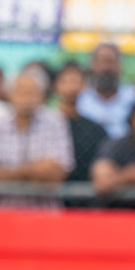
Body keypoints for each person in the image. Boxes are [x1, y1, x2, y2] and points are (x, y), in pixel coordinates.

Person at [0, 69, 74, 209]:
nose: (26, 98)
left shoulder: (55, 122)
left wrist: (1, 172)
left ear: (41, 96)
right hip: (1, 215)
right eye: (21, 92)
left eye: (31, 92)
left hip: (43, 216)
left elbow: (58, 174)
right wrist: (29, 171)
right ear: (10, 95)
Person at [52, 62, 109, 200]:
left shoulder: (96, 130)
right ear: (56, 86)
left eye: (76, 81)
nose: (71, 87)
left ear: (84, 86)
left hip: (84, 201)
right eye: (66, 81)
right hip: (50, 199)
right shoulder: (44, 127)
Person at [78, 42, 135, 138]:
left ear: (120, 65)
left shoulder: (133, 97)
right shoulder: (80, 98)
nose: (106, 68)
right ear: (93, 65)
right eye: (102, 62)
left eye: (110, 62)